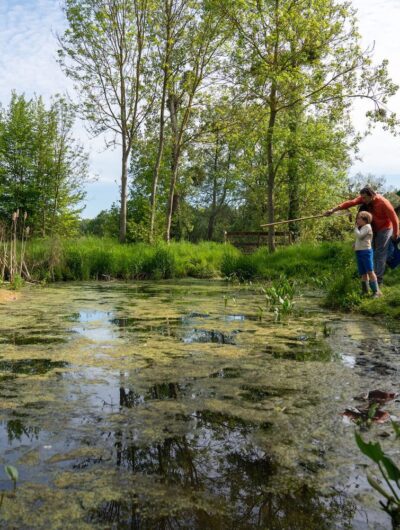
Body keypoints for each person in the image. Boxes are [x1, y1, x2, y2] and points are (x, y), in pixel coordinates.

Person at [325, 186, 399, 284]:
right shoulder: (364, 199)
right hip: (373, 228)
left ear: (371, 195)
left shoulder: (384, 203)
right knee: (371, 251)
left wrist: (395, 233)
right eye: (362, 198)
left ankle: (378, 280)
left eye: (364, 198)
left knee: (380, 253)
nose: (362, 200)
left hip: (385, 228)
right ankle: (372, 276)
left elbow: (394, 219)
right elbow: (350, 203)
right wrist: (332, 210)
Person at [353, 211, 381, 297]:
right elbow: (360, 239)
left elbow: (360, 236)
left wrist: (355, 228)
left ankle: (376, 292)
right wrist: (355, 244)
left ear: (365, 219)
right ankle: (365, 291)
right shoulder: (362, 228)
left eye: (358, 218)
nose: (357, 220)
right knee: (363, 272)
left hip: (366, 252)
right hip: (359, 251)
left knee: (370, 271)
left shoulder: (367, 227)